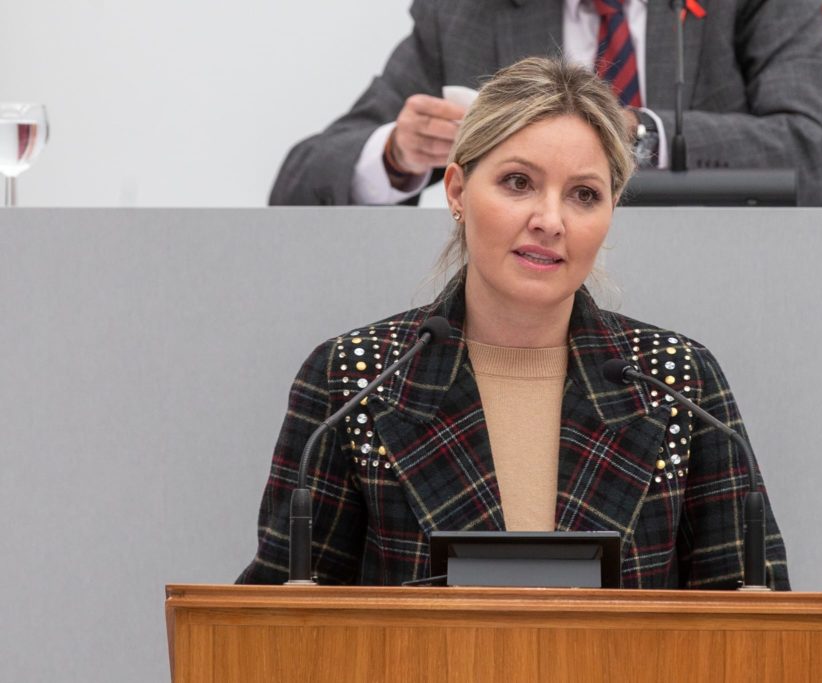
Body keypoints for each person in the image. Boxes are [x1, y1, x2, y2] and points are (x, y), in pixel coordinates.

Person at [240, 57, 789, 589]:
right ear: (456, 190)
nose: (550, 221)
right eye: (518, 183)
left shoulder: (676, 379)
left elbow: (755, 626)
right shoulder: (356, 378)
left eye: (584, 195)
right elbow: (283, 625)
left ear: (612, 210)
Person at [269, 0, 822, 208]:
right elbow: (300, 185)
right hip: (527, 306)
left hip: (725, 280)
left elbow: (817, 150)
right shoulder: (467, 13)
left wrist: (634, 137)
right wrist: (398, 154)